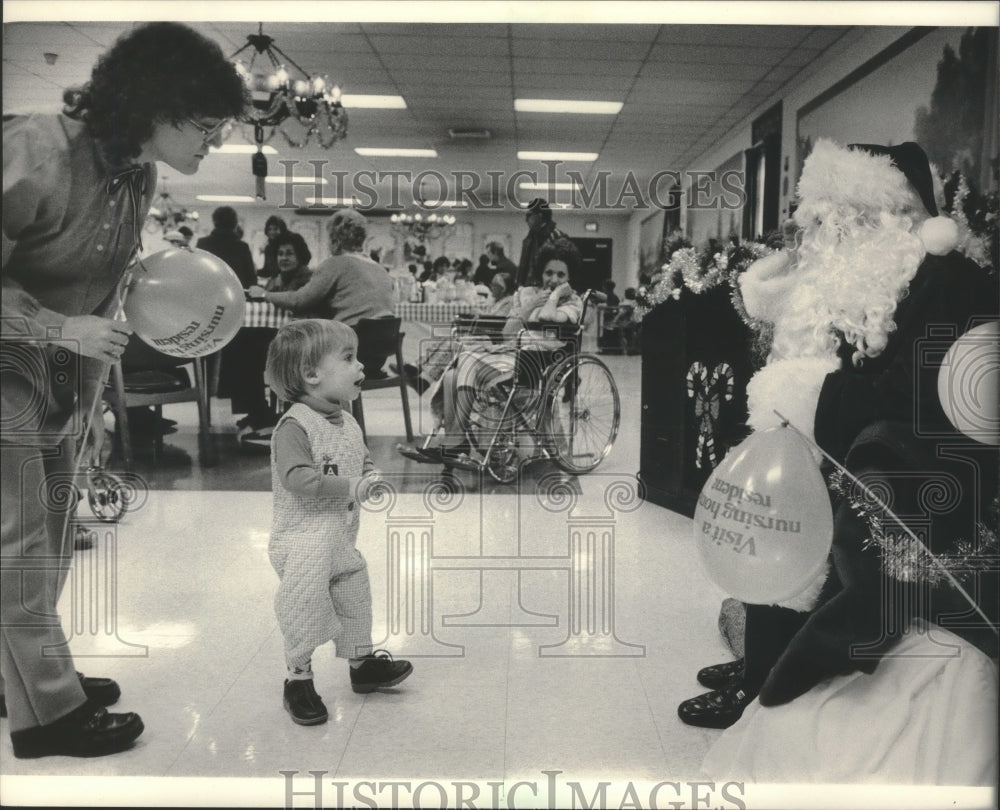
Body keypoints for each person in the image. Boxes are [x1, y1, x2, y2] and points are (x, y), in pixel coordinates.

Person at [680, 141, 999, 780]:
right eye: (819, 216)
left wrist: (815, 396)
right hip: (824, 458)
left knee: (820, 563)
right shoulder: (858, 277)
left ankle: (770, 678)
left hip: (895, 482)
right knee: (779, 547)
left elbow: (924, 398)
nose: (826, 231)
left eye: (845, 216)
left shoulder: (945, 281)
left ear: (896, 217)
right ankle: (758, 670)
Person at [1, 21, 244, 758]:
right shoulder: (36, 150)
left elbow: (106, 286)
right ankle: (47, 714)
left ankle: (26, 676)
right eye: (205, 125)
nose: (215, 141)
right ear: (155, 107)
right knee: (20, 545)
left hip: (61, 381)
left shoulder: (138, 176)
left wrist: (92, 391)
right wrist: (58, 328)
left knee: (52, 537)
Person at [263, 319, 413, 724]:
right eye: (348, 358)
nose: (360, 366)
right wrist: (351, 486)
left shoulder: (347, 419)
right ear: (311, 374)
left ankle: (362, 666)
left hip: (340, 540)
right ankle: (298, 679)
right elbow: (297, 480)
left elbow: (358, 459)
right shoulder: (294, 426)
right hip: (302, 543)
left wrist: (369, 475)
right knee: (303, 609)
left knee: (355, 599)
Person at [399, 239, 584, 466]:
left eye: (561, 275)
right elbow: (507, 332)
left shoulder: (572, 302)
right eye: (549, 273)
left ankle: (456, 444)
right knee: (450, 377)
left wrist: (554, 297)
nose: (553, 279)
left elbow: (548, 317)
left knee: (466, 359)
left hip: (536, 363)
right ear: (540, 272)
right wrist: (531, 304)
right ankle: (454, 442)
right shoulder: (527, 294)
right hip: (510, 354)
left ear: (569, 278)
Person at [223, 232, 314, 442]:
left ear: (300, 256)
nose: (284, 258)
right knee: (237, 347)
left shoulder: (307, 279)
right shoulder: (277, 279)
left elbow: (296, 302)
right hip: (280, 337)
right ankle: (257, 410)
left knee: (244, 353)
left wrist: (264, 294)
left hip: (301, 341)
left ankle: (258, 411)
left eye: (289, 253)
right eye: (280, 254)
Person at [249, 209, 392, 326]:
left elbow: (298, 300)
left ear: (336, 242)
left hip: (349, 339)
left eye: (329, 239)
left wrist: (264, 294)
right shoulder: (380, 269)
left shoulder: (336, 263)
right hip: (383, 342)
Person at [196, 205, 256, 289]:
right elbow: (251, 279)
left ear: (214, 222)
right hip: (234, 292)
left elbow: (197, 273)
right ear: (235, 224)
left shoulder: (203, 243)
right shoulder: (242, 247)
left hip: (208, 291)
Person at [515, 198, 567, 288]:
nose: (526, 220)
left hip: (549, 287)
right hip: (529, 288)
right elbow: (524, 267)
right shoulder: (530, 238)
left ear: (539, 216)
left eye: (529, 215)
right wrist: (520, 286)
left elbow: (562, 268)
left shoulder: (556, 237)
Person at [259, 215, 311, 281]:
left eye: (275, 229)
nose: (272, 232)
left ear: (282, 229)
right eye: (269, 229)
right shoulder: (268, 248)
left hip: (297, 278)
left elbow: (307, 257)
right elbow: (267, 271)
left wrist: (293, 272)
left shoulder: (295, 239)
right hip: (279, 282)